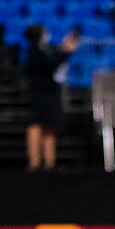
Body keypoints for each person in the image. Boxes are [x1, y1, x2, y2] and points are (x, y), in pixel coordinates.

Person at [24, 25, 79, 171]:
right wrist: (65, 51)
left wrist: (64, 49)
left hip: (50, 93)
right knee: (35, 126)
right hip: (38, 93)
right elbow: (49, 64)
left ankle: (50, 163)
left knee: (50, 127)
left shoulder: (46, 50)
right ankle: (34, 162)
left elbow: (53, 59)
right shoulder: (33, 52)